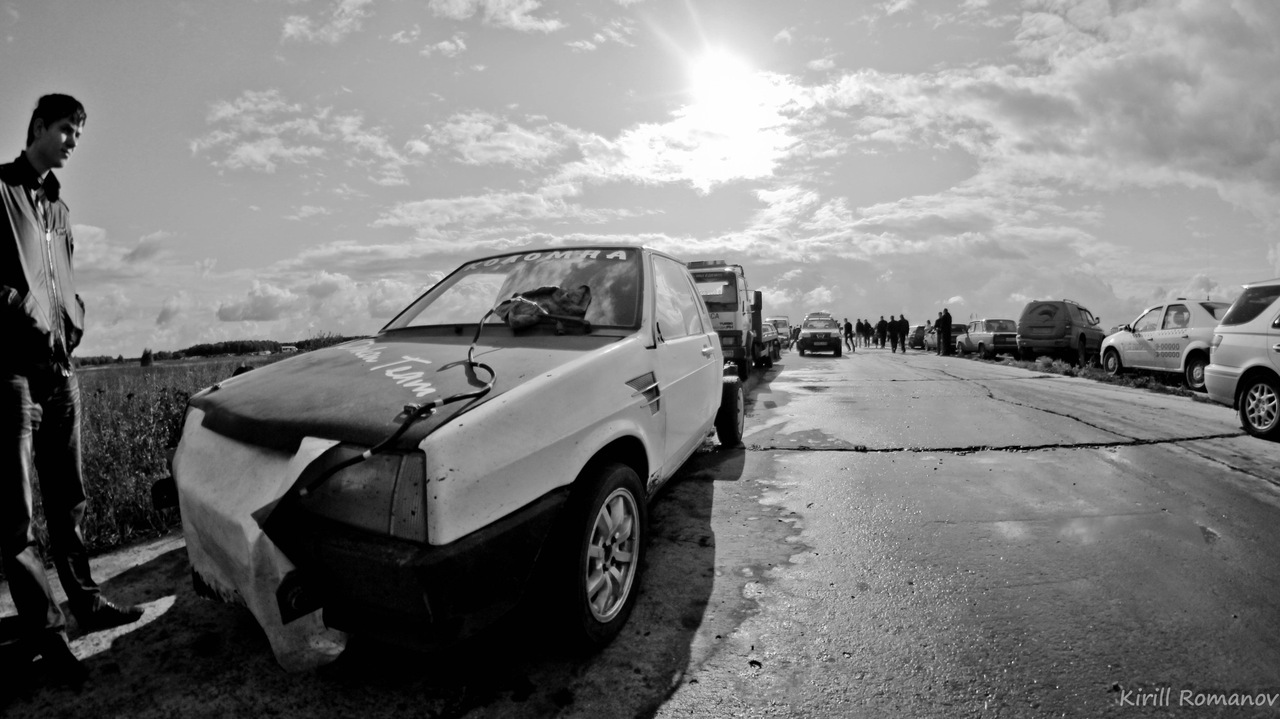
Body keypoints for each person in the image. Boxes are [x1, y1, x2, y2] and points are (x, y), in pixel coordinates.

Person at [2, 94, 143, 685]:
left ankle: (87, 602)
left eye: (78, 134)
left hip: (62, 370)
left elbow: (62, 278)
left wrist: (73, 315)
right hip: (10, 372)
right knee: (17, 517)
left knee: (70, 500)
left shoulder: (59, 208)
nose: (72, 142)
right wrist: (22, 310)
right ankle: (49, 636)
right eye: (65, 129)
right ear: (38, 126)